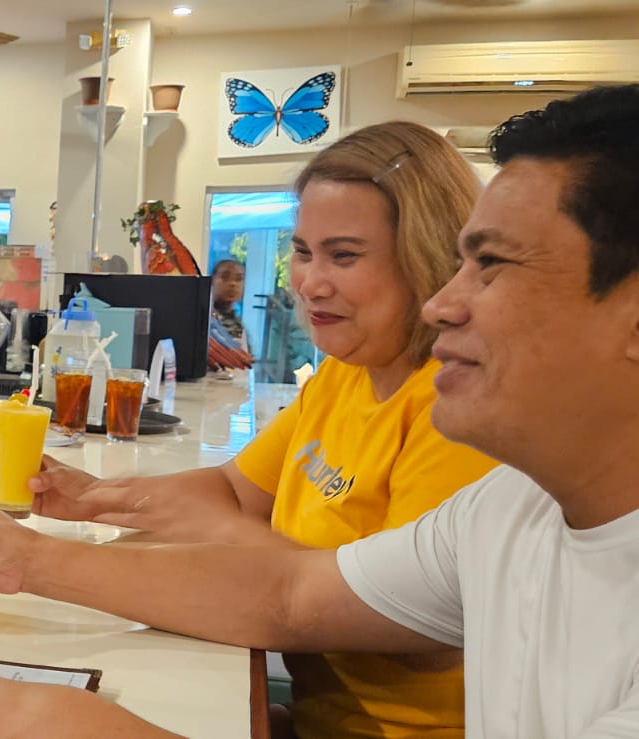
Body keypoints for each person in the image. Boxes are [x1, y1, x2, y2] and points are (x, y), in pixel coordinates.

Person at [0, 84, 639, 739]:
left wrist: (52, 717)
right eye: (304, 252)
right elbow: (288, 594)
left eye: (492, 265)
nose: (444, 301)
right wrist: (24, 552)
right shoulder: (510, 509)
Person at [33, 121, 499, 739]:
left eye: (345, 255)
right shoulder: (343, 376)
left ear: (430, 257)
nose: (310, 282)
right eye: (303, 251)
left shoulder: (456, 407)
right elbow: (232, 489)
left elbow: (409, 632)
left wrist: (31, 560)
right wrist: (94, 501)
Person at [207, 258, 255, 371]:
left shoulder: (240, 326)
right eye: (225, 277)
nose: (232, 284)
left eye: (239, 279)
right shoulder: (203, 320)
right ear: (211, 281)